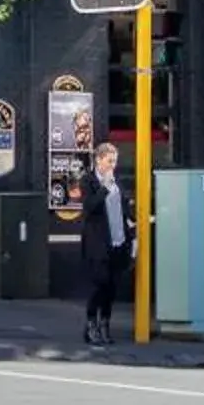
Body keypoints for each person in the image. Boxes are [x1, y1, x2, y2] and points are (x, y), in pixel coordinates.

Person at [82, 141, 131, 347]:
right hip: (98, 243)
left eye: (115, 162)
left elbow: (124, 207)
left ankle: (105, 325)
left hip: (117, 240)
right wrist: (104, 188)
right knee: (99, 284)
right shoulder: (89, 181)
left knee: (111, 287)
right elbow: (90, 208)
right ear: (99, 160)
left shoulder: (117, 181)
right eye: (110, 161)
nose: (113, 166)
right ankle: (91, 323)